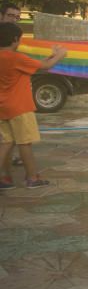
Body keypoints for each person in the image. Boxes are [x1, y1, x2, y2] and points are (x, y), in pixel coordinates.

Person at [0, 22, 67, 189]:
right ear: (15, 39)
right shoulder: (16, 58)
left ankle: (6, 178)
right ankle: (32, 178)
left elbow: (35, 65)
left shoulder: (8, 58)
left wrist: (51, 55)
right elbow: (45, 67)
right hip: (20, 107)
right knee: (24, 143)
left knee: (7, 143)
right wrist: (60, 55)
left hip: (3, 107)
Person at [1, 3, 24, 171]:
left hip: (8, 96)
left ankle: (7, 168)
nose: (14, 19)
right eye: (10, 16)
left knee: (8, 136)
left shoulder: (12, 36)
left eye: (17, 17)